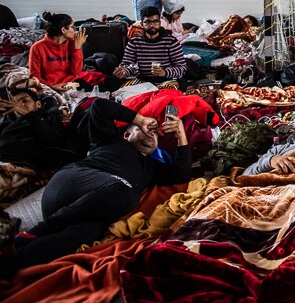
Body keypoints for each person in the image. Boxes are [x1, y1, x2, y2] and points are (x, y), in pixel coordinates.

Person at [4, 97, 190, 273]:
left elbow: (181, 173)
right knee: (128, 194)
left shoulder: (153, 168)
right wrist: (140, 119)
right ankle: (43, 228)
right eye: (146, 129)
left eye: (156, 133)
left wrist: (181, 134)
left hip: (88, 207)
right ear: (127, 134)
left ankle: (11, 264)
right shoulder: (107, 140)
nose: (152, 132)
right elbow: (100, 106)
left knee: (86, 233)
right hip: (74, 181)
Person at [113, 7, 186, 87]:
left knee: (167, 91)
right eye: (147, 22)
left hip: (166, 80)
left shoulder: (171, 41)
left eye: (155, 22)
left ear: (160, 23)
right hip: (143, 81)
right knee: (113, 84)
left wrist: (165, 72)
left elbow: (182, 68)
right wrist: (123, 72)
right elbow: (127, 64)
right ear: (141, 24)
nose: (152, 25)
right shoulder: (134, 42)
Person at [27, 12, 86, 91]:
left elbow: (76, 72)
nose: (75, 31)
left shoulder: (73, 43)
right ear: (63, 30)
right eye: (73, 27)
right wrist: (52, 87)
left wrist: (77, 48)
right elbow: (35, 76)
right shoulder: (37, 47)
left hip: (71, 84)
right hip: (49, 87)